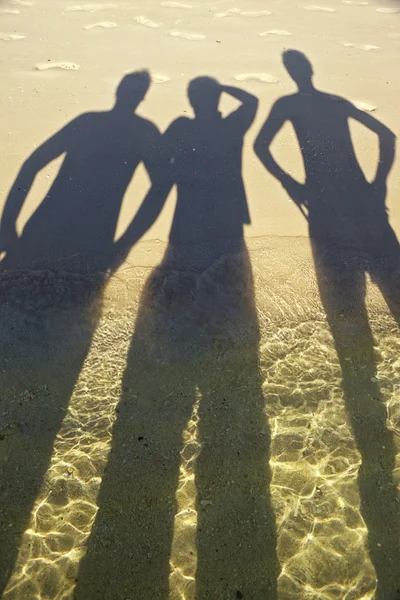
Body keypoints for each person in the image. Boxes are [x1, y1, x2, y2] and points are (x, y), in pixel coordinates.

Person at [75, 77, 279, 600]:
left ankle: (184, 347)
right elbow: (252, 102)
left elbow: (161, 175)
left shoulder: (186, 128)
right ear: (210, 100)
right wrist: (225, 90)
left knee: (187, 290)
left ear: (192, 102)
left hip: (189, 228)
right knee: (231, 306)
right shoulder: (227, 126)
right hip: (222, 230)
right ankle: (218, 351)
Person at [0, 71, 160, 596]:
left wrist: (8, 225)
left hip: (42, 244)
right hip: (87, 254)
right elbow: (162, 189)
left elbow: (29, 165)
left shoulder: (90, 121)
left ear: (118, 92)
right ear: (140, 97)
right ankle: (24, 466)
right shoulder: (144, 135)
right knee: (58, 368)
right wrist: (125, 247)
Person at [254, 49, 400, 598]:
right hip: (365, 205)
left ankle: (364, 399)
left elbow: (262, 147)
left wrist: (295, 185)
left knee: (347, 312)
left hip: (328, 208)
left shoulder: (289, 104)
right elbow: (385, 134)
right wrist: (380, 182)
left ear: (292, 73)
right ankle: (366, 394)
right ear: (309, 69)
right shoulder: (334, 100)